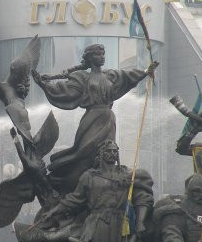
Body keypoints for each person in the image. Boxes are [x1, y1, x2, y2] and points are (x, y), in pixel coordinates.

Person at [32, 44, 153, 194]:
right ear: (90, 58)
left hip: (108, 118)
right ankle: (68, 182)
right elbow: (64, 92)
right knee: (83, 153)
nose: (102, 57)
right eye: (98, 55)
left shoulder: (111, 75)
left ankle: (103, 182)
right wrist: (43, 84)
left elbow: (128, 77)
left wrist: (147, 71)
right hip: (91, 118)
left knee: (107, 151)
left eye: (103, 54)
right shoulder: (82, 77)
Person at [42, 140, 154, 242]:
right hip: (97, 223)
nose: (112, 154)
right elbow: (75, 199)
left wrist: (140, 221)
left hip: (120, 224)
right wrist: (54, 211)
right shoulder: (89, 176)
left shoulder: (127, 174)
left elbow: (143, 196)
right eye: (109, 151)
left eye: (115, 151)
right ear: (101, 154)